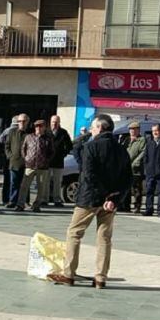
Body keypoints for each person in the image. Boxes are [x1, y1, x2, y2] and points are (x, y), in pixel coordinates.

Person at [47, 114, 130, 289]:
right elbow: (127, 178)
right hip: (110, 201)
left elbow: (89, 175)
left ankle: (68, 274)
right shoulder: (121, 149)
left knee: (74, 233)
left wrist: (105, 196)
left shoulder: (91, 146)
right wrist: (113, 198)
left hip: (89, 198)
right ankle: (101, 277)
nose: (91, 130)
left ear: (99, 128)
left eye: (93, 127)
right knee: (104, 238)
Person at [16, 120, 53, 213]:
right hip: (30, 165)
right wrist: (26, 159)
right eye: (36, 126)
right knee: (24, 186)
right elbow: (23, 149)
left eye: (40, 126)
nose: (38, 128)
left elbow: (52, 152)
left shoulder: (48, 139)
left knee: (41, 188)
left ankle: (36, 205)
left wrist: (46, 161)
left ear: (44, 127)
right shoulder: (29, 137)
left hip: (42, 167)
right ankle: (20, 204)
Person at [5, 114, 29, 209]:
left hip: (27, 163)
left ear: (27, 122)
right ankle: (12, 201)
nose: (21, 123)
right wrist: (10, 156)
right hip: (14, 162)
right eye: (19, 121)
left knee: (25, 184)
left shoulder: (30, 133)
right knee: (14, 183)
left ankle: (24, 201)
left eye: (24, 121)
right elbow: (7, 146)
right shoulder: (12, 132)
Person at [47, 115, 72, 207]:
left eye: (57, 122)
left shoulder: (63, 132)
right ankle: (45, 199)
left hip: (58, 161)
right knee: (46, 181)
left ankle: (57, 199)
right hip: (47, 161)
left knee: (57, 181)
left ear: (59, 123)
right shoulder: (46, 132)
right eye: (53, 122)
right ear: (50, 123)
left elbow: (69, 145)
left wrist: (63, 154)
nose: (55, 124)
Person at [123, 122, 146, 213]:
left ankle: (137, 206)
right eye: (130, 129)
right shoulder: (126, 140)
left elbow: (143, 153)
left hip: (136, 169)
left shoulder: (142, 140)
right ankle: (126, 206)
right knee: (126, 189)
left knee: (136, 189)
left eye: (134, 129)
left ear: (138, 130)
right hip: (126, 168)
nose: (132, 131)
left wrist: (135, 163)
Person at [0, 118, 18, 206]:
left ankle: (5, 199)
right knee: (14, 180)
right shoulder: (11, 131)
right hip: (11, 159)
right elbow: (0, 143)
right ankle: (11, 199)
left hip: (6, 159)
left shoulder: (6, 131)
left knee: (7, 180)